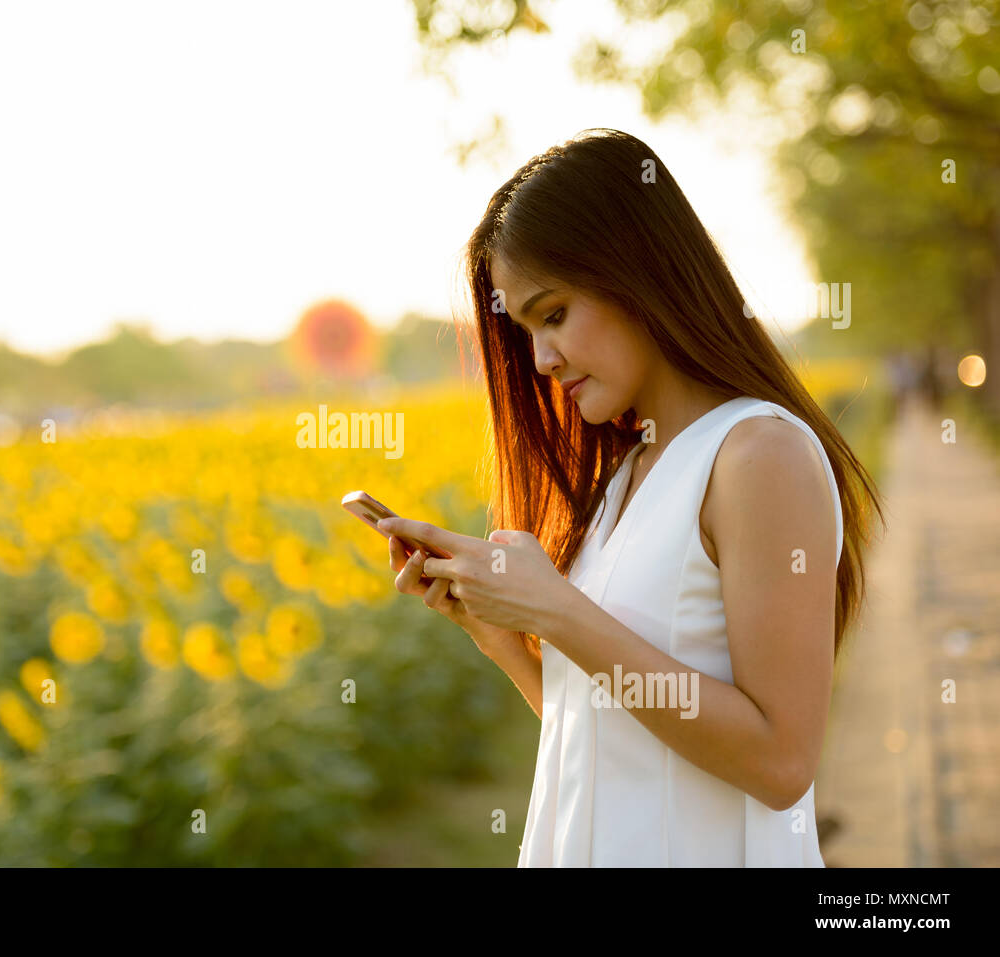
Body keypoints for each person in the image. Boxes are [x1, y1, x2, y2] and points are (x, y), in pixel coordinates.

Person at [377, 129, 885, 867]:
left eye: (553, 314)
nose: (542, 360)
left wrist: (557, 609)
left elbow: (781, 761)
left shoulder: (758, 456)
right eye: (525, 331)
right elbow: (607, 737)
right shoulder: (630, 471)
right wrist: (503, 637)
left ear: (636, 272)